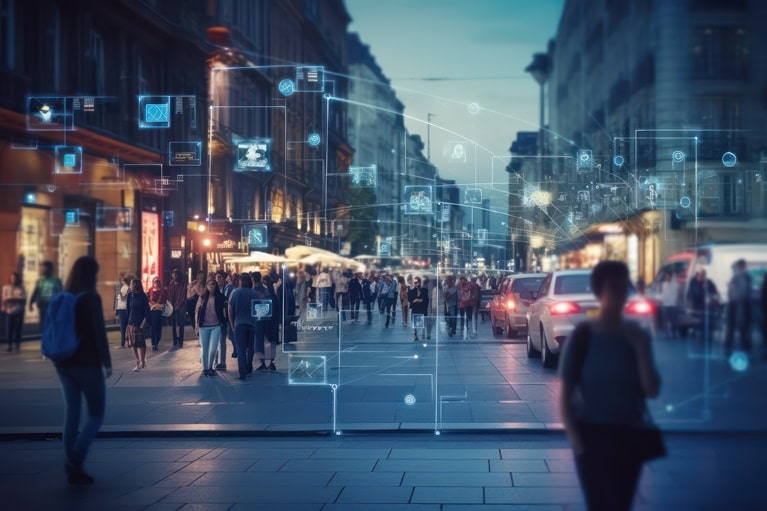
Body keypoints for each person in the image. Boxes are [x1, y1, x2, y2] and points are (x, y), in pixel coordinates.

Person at [559, 260, 661, 511]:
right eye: (612, 287)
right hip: (593, 436)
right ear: (599, 290)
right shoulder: (583, 335)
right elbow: (565, 394)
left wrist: (640, 348)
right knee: (599, 503)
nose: (618, 294)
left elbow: (651, 390)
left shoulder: (637, 335)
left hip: (629, 434)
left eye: (622, 287)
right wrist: (577, 441)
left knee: (621, 503)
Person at [53, 256, 112, 485]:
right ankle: (76, 459)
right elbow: (99, 332)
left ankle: (71, 464)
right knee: (96, 415)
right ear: (92, 275)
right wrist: (106, 361)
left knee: (72, 414)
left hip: (63, 363)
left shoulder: (64, 296)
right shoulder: (91, 298)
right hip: (87, 363)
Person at [228, 273, 262, 380]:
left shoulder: (236, 293)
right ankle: (249, 366)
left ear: (240, 281)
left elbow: (230, 309)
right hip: (251, 324)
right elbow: (259, 309)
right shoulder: (254, 293)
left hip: (239, 323)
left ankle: (242, 373)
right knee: (250, 347)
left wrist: (232, 325)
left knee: (240, 349)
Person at [194, 279, 226, 377]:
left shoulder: (220, 297)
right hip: (204, 326)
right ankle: (205, 369)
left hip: (216, 325)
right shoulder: (202, 297)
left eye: (213, 284)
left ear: (216, 286)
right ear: (206, 286)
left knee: (213, 348)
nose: (211, 286)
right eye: (209, 284)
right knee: (204, 348)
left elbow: (225, 311)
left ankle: (210, 367)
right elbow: (197, 311)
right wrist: (197, 325)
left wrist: (223, 322)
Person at [724, 258, 752, 357]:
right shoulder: (737, 277)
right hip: (735, 306)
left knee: (743, 328)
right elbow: (732, 291)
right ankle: (731, 347)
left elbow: (742, 293)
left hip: (740, 306)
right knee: (733, 328)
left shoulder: (744, 277)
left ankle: (745, 348)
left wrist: (734, 295)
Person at [686, 269, 719, 340]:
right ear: (697, 275)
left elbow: (714, 291)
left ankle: (706, 335)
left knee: (706, 320)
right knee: (701, 321)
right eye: (699, 275)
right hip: (698, 306)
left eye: (702, 275)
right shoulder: (693, 283)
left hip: (706, 305)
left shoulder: (708, 282)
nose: (701, 277)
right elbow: (691, 294)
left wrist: (713, 297)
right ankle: (700, 335)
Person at [29, 261, 62, 331]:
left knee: (51, 323)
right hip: (42, 305)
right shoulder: (40, 280)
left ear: (49, 269)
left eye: (44, 268)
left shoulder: (56, 280)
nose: (42, 270)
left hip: (53, 305)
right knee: (43, 324)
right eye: (42, 268)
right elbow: (35, 291)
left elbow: (61, 293)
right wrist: (31, 302)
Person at [126, 279, 150, 371]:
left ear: (136, 286)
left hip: (139, 323)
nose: (131, 286)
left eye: (132, 284)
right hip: (131, 322)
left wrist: (144, 323)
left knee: (140, 343)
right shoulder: (129, 296)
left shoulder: (142, 296)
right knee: (132, 343)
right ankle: (137, 360)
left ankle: (142, 361)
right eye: (130, 284)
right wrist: (127, 322)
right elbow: (128, 309)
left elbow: (146, 311)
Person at [2, 272, 26, 352]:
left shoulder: (21, 288)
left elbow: (23, 299)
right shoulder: (5, 287)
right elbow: (4, 299)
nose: (13, 280)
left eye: (15, 278)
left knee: (18, 328)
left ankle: (17, 344)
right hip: (9, 310)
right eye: (12, 278)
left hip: (19, 310)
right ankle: (9, 345)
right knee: (9, 328)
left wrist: (12, 299)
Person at [167, 269, 188, 349]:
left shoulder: (183, 284)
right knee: (173, 324)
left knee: (181, 323)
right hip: (172, 305)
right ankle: (175, 339)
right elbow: (169, 294)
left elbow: (183, 295)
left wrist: (178, 305)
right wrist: (171, 305)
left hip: (181, 305)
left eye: (176, 275)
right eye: (174, 275)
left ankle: (181, 340)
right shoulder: (171, 284)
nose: (175, 276)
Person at [147, 277, 168, 351]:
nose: (155, 283)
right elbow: (148, 299)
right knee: (153, 327)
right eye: (154, 282)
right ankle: (153, 343)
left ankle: (157, 341)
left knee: (158, 327)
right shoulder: (150, 290)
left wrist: (156, 305)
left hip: (160, 310)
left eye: (157, 282)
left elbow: (164, 302)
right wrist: (151, 305)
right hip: (152, 311)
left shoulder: (163, 291)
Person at [659, 271, 680, 339]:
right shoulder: (663, 284)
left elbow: (678, 293)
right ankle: (666, 333)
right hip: (665, 304)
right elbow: (661, 292)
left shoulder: (676, 284)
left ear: (670, 276)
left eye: (667, 276)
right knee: (665, 320)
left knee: (673, 320)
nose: (666, 277)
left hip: (673, 304)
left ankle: (673, 332)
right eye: (665, 276)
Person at [408, 276, 429, 341]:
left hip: (422, 308)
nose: (415, 284)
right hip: (415, 308)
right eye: (414, 282)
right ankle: (415, 334)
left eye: (416, 282)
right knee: (415, 322)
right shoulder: (412, 291)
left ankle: (423, 334)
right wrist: (418, 300)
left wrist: (418, 300)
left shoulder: (424, 290)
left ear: (419, 282)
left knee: (422, 322)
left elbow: (425, 299)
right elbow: (411, 300)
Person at [115, 275, 131, 348]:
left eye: (121, 280)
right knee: (124, 327)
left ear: (123, 281)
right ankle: (126, 342)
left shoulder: (126, 288)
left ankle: (123, 343)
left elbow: (122, 298)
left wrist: (119, 291)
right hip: (121, 309)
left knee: (123, 327)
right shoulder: (124, 288)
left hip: (123, 309)